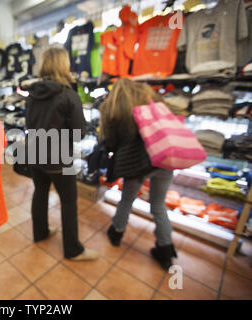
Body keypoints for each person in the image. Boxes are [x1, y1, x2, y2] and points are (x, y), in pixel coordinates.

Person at [25, 47, 98, 261]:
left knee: (40, 192)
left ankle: (40, 233)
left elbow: (29, 123)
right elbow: (79, 134)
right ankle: (73, 250)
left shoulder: (32, 93)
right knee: (68, 201)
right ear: (64, 65)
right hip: (59, 157)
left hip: (34, 152)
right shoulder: (68, 95)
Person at [99, 78, 178, 270]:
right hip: (164, 159)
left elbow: (110, 143)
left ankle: (116, 233)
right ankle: (165, 250)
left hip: (137, 164)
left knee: (127, 200)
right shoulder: (153, 101)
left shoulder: (118, 111)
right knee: (159, 206)